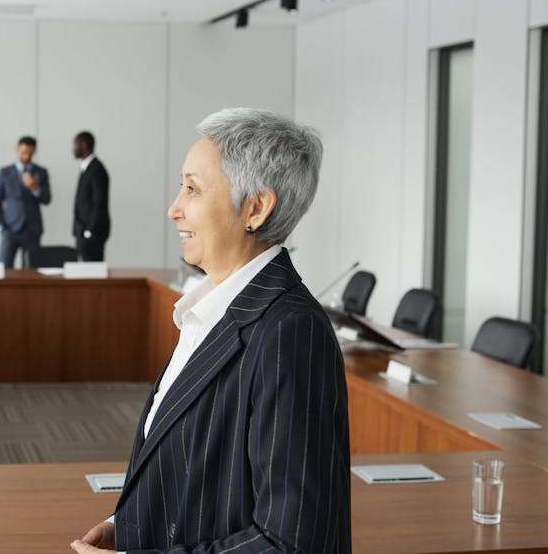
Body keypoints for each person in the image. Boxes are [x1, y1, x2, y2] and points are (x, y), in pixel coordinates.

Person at [72, 108, 352, 554]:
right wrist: (128, 523)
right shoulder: (211, 307)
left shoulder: (291, 333)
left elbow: (292, 542)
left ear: (256, 208)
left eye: (192, 188)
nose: (173, 208)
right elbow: (201, 469)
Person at [0, 136, 51, 268]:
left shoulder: (41, 172)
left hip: (32, 230)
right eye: (24, 152)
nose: (26, 156)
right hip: (10, 229)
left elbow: (47, 199)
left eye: (30, 153)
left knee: (32, 270)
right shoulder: (5, 173)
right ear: (17, 149)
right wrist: (1, 227)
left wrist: (35, 189)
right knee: (3, 269)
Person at [72, 131, 110, 261]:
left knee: (92, 273)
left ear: (84, 145)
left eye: (75, 144)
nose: (73, 149)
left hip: (92, 234)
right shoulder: (86, 167)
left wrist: (90, 231)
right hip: (83, 231)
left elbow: (99, 202)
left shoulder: (96, 169)